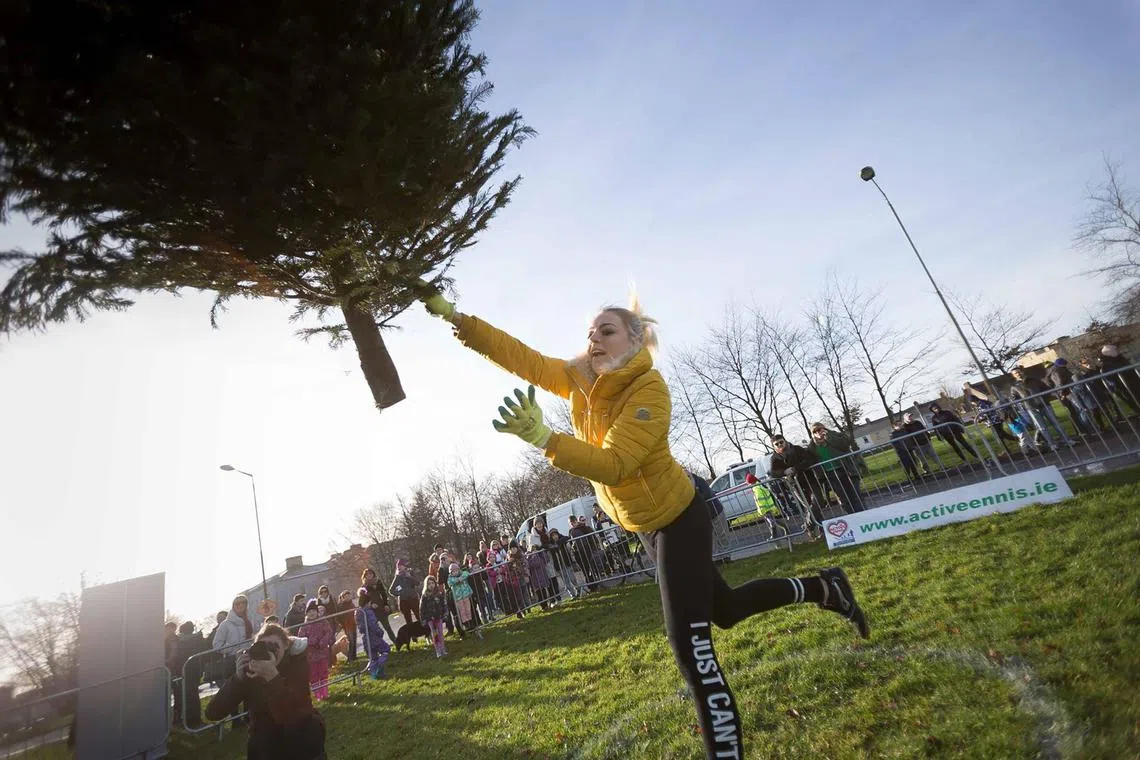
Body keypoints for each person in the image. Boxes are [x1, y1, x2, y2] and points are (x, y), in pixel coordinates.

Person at [416, 283, 868, 759]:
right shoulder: (580, 378)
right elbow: (522, 358)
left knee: (691, 649)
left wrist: (547, 439)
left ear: (635, 340)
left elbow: (615, 465)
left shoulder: (650, 389)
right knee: (727, 610)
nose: (594, 341)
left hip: (679, 518)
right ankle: (826, 589)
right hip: (646, 525)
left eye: (606, 331)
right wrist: (455, 316)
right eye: (590, 333)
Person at [204, 623, 326, 760]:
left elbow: (296, 716)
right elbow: (213, 712)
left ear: (286, 646)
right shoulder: (252, 672)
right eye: (262, 646)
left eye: (274, 646)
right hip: (264, 748)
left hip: (301, 744)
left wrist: (273, 678)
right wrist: (238, 679)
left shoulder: (297, 664)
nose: (268, 652)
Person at [767, 434, 826, 531]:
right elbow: (773, 472)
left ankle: (808, 525)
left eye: (781, 442)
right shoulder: (774, 457)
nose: (780, 445)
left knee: (818, 501)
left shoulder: (797, 449)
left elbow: (809, 460)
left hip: (809, 480)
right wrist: (784, 472)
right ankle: (822, 530)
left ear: (785, 441)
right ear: (774, 446)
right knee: (808, 506)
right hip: (794, 485)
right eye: (776, 444)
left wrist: (795, 469)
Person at [1010, 367, 1075, 449]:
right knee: (1042, 427)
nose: (1018, 374)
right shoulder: (1014, 387)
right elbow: (1014, 399)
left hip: (1044, 405)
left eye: (1019, 372)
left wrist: (1044, 398)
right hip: (1031, 408)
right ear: (1013, 375)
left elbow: (1046, 389)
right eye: (1015, 373)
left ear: (1022, 372)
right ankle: (1052, 444)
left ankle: (1067, 440)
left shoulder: (1034, 380)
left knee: (1056, 423)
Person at [808, 423, 865, 512]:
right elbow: (809, 458)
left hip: (846, 470)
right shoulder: (812, 445)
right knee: (843, 499)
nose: (818, 432)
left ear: (824, 428)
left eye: (819, 429)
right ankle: (852, 518)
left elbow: (844, 445)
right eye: (814, 431)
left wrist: (828, 436)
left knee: (855, 495)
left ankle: (864, 516)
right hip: (831, 474)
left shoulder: (835, 435)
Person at [170, 621, 209, 728]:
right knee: (193, 696)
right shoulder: (196, 640)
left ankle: (180, 720)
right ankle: (193, 720)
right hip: (193, 671)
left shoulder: (177, 641)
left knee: (181, 697)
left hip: (181, 671)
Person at [297, 602, 334, 701]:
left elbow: (329, 632)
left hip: (322, 653)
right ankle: (318, 694)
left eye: (313, 611)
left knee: (323, 672)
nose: (312, 613)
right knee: (314, 674)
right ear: (306, 614)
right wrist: (313, 642)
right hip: (311, 655)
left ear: (317, 612)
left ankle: (325, 693)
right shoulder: (304, 626)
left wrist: (322, 641)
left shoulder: (323, 622)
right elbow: (301, 638)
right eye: (309, 612)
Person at [353, 588, 390, 680]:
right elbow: (373, 624)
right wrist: (379, 632)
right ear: (368, 603)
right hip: (374, 637)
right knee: (386, 649)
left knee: (373, 657)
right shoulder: (368, 612)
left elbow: (361, 628)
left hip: (366, 639)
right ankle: (379, 668)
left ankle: (375, 675)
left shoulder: (358, 613)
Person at [744, 472, 789, 540]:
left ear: (751, 482)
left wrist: (762, 510)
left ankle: (785, 530)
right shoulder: (758, 486)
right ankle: (774, 536)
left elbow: (760, 500)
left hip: (765, 508)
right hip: (767, 507)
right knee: (771, 522)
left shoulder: (756, 488)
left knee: (772, 521)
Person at [360, 568, 397, 644]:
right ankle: (381, 646)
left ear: (373, 574)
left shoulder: (378, 583)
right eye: (367, 574)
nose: (369, 575)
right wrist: (370, 605)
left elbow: (384, 595)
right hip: (372, 612)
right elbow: (361, 603)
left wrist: (386, 604)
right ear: (365, 576)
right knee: (376, 630)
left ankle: (396, 643)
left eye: (371, 574)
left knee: (388, 627)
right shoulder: (364, 587)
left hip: (381, 608)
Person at [448, 562, 483, 639]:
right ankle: (466, 624)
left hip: (466, 595)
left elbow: (466, 573)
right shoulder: (450, 578)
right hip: (459, 597)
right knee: (462, 611)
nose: (455, 572)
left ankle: (470, 622)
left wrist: (461, 578)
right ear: (451, 572)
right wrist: (457, 580)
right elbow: (450, 582)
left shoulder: (463, 573)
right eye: (453, 571)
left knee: (468, 609)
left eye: (456, 570)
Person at [419, 577, 448, 658]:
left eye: (432, 583)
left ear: (435, 584)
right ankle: (438, 651)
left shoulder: (439, 594)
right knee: (435, 634)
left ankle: (443, 649)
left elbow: (444, 604)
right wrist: (423, 619)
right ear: (426, 585)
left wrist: (445, 614)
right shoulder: (424, 596)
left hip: (438, 617)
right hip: (430, 619)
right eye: (429, 584)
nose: (431, 585)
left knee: (440, 633)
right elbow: (421, 609)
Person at [389, 559, 421, 625]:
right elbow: (391, 590)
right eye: (398, 566)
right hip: (403, 601)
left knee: (419, 616)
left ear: (404, 566)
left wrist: (410, 577)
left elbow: (417, 583)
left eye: (401, 565)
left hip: (413, 598)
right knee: (408, 619)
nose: (399, 567)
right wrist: (399, 592)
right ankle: (413, 634)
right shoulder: (397, 577)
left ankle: (426, 631)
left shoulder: (410, 572)